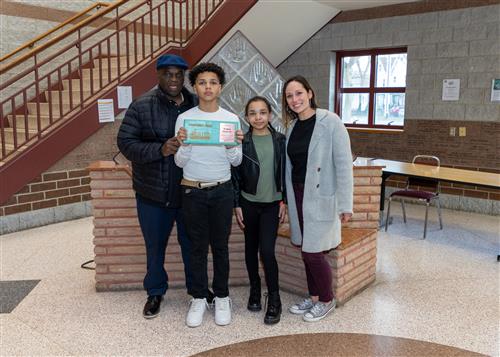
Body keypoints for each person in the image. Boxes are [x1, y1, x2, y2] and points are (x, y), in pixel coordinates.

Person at [117, 54, 210, 319]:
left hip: (190, 191)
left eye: (179, 74)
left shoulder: (197, 103)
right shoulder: (141, 106)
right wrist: (160, 149)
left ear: (184, 77)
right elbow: (125, 144)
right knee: (155, 246)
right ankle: (155, 291)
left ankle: (198, 291)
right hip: (153, 193)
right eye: (168, 74)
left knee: (192, 244)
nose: (173, 79)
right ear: (158, 75)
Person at [174, 62, 243, 328]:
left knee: (221, 247)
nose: (208, 87)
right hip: (192, 190)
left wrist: (231, 144)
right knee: (196, 248)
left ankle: (222, 296)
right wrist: (186, 144)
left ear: (220, 87)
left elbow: (236, 161)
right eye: (202, 82)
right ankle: (199, 297)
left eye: (213, 82)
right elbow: (179, 162)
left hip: (222, 191)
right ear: (195, 87)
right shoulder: (185, 119)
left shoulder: (230, 119)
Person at [281, 75, 353, 322]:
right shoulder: (291, 128)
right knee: (305, 248)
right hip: (298, 193)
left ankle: (326, 299)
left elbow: (344, 165)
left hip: (320, 195)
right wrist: (285, 198)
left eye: (299, 93)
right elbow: (289, 167)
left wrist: (346, 205)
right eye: (289, 96)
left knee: (313, 252)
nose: (295, 100)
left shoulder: (330, 121)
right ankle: (313, 298)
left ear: (310, 93)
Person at [232, 96, 287, 325]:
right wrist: (236, 205)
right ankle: (255, 289)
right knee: (250, 249)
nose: (258, 117)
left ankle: (274, 298)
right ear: (246, 117)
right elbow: (234, 175)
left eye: (262, 112)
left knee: (266, 251)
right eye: (253, 113)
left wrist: (283, 200)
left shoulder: (281, 140)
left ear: (270, 115)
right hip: (248, 203)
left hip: (272, 205)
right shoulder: (241, 142)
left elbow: (286, 172)